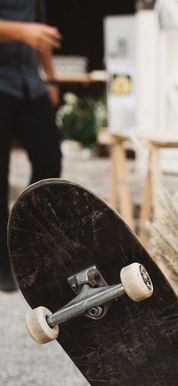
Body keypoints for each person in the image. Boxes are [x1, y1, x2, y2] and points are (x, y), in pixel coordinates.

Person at [0, 0, 62, 292]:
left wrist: (50, 78)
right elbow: (32, 31)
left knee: (49, 161)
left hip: (30, 84)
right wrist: (23, 32)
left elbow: (43, 34)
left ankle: (27, 243)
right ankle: (2, 264)